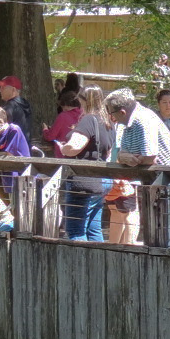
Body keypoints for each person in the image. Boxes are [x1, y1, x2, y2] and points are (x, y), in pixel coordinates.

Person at [107, 87, 170, 245]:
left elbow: (150, 157)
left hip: (165, 183)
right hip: (150, 182)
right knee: (153, 231)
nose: (112, 118)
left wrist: (131, 158)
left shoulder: (142, 120)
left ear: (122, 112)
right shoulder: (128, 123)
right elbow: (123, 153)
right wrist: (124, 157)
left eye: (112, 113)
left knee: (162, 231)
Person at [59, 85, 114, 242]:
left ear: (84, 100)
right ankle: (99, 257)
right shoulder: (108, 122)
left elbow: (74, 147)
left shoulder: (89, 119)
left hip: (85, 181)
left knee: (75, 230)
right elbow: (109, 151)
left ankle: (79, 258)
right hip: (102, 179)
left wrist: (64, 148)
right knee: (93, 229)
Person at [41, 88, 82, 157]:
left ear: (65, 105)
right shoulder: (83, 115)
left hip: (64, 153)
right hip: (80, 152)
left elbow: (50, 136)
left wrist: (45, 129)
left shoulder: (63, 116)